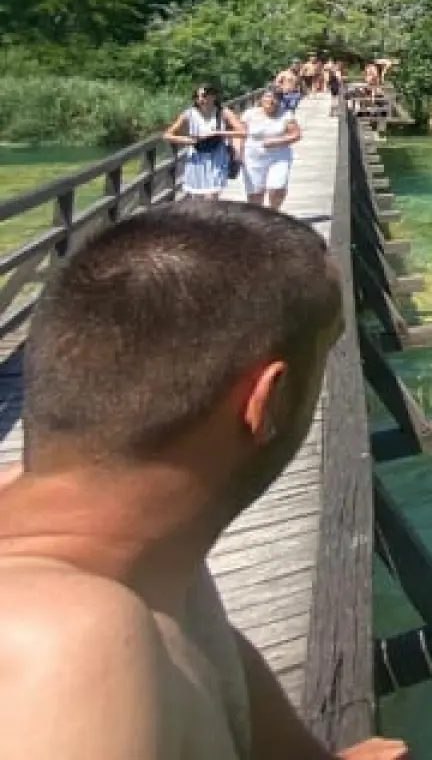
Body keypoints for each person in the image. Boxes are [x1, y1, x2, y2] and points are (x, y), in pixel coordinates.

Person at [0, 205, 407, 759]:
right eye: (327, 350)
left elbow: (216, 666)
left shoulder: (151, 550)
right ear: (268, 402)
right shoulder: (67, 650)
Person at [164, 86, 244, 199]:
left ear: (213, 97)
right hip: (196, 159)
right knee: (197, 197)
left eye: (204, 96)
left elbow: (243, 132)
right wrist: (189, 140)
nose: (201, 99)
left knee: (211, 196)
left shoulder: (223, 112)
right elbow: (167, 135)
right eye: (197, 96)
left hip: (217, 158)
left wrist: (217, 133)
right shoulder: (189, 114)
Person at [239, 89, 302, 211]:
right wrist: (238, 153)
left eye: (275, 98)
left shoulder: (286, 114)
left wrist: (276, 141)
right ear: (261, 99)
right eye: (268, 97)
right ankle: (258, 218)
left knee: (277, 187)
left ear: (279, 101)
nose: (271, 100)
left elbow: (296, 135)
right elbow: (240, 135)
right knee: (255, 194)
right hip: (253, 157)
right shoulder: (249, 114)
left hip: (278, 156)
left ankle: (273, 212)